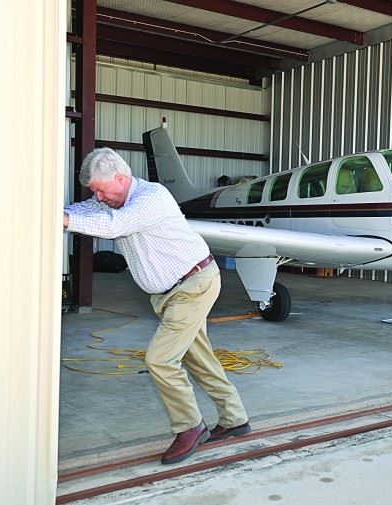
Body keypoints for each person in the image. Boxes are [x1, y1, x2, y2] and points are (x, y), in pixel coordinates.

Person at [63, 147, 251, 465]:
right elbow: (87, 210)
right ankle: (235, 418)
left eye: (100, 189)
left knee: (160, 360)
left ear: (120, 178)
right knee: (200, 358)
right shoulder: (112, 200)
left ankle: (190, 427)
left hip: (193, 285)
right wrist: (60, 212)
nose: (98, 197)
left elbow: (112, 226)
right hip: (171, 294)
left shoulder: (151, 197)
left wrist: (64, 219)